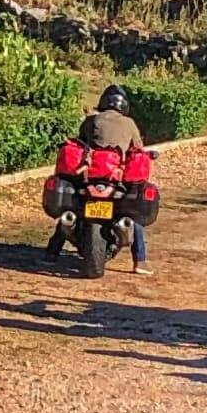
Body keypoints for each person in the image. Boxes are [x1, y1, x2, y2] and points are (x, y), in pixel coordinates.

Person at [44, 85, 153, 275]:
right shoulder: (129, 123)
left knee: (71, 209)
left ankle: (52, 252)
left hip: (89, 175)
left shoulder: (91, 120)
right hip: (115, 177)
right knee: (133, 213)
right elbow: (138, 149)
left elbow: (80, 142)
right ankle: (140, 261)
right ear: (124, 105)